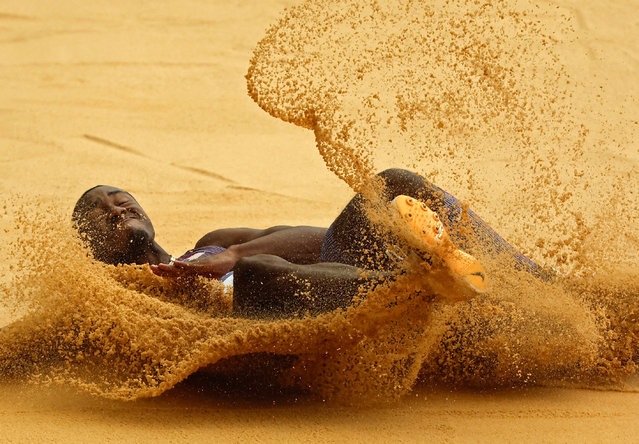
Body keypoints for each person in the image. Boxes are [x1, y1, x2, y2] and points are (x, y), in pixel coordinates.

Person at [72, 169, 545, 318]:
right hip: (293, 329)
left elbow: (320, 241)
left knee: (392, 183)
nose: (116, 207)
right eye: (99, 210)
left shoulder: (212, 244)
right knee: (259, 276)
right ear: (85, 241)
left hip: (346, 283)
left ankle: (540, 285)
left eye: (122, 199)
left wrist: (231, 257)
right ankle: (416, 282)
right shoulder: (113, 301)